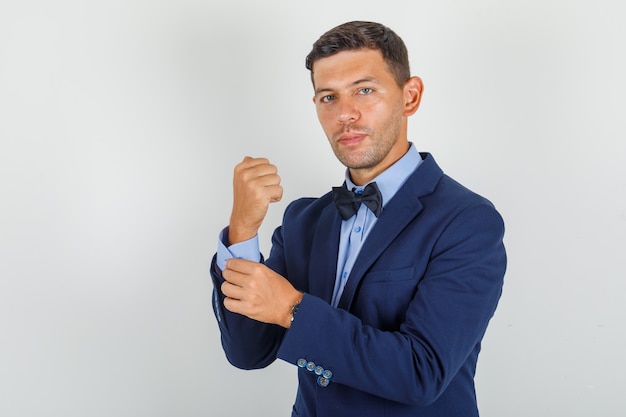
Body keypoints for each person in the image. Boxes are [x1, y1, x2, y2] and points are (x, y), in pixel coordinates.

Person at [210, 20, 506, 417]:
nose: (345, 114)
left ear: (410, 96)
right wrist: (243, 231)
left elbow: (422, 373)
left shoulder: (468, 221)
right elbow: (249, 351)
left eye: (364, 91)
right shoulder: (303, 220)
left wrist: (292, 310)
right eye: (328, 97)